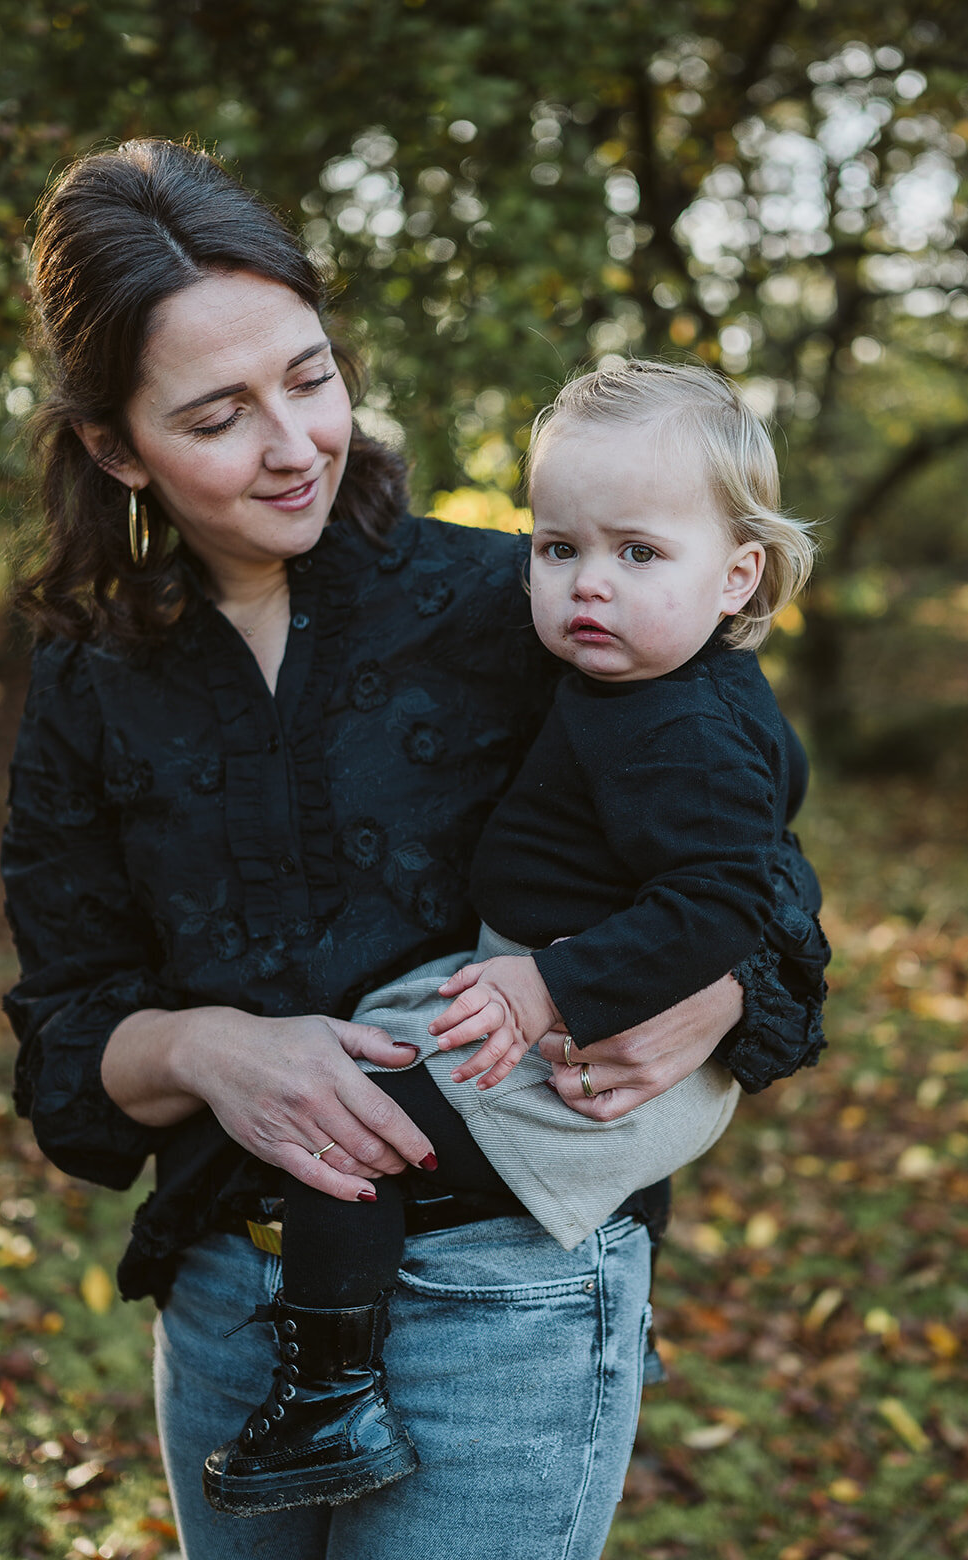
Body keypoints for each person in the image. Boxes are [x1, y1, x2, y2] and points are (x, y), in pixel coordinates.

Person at [1, 138, 827, 1560]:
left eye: (310, 377)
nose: (294, 443)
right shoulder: (88, 676)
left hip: (504, 1307)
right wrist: (205, 1049)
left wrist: (727, 985)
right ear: (114, 445)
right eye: (217, 415)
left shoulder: (514, 599)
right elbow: (67, 1041)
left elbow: (753, 867)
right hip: (226, 1307)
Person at [207, 358, 829, 1518]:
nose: (588, 585)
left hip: (591, 1026)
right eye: (557, 549)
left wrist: (556, 989)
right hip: (540, 978)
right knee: (364, 1057)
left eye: (637, 553)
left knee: (355, 1131)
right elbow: (774, 804)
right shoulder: (663, 672)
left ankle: (328, 1399)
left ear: (738, 572)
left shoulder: (680, 722)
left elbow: (731, 894)